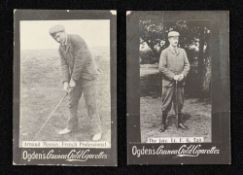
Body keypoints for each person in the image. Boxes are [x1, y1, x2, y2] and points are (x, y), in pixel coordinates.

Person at [49, 25, 102, 141]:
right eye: (55, 38)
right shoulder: (61, 48)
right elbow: (64, 65)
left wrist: (73, 80)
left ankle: (96, 131)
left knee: (91, 104)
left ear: (63, 32)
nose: (57, 39)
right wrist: (65, 82)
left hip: (88, 75)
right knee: (72, 102)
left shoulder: (76, 39)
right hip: (76, 77)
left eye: (58, 36)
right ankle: (71, 126)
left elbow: (80, 61)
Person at [158, 31, 190, 132]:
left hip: (180, 83)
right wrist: (173, 76)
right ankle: (163, 123)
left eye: (177, 38)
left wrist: (182, 75)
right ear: (169, 39)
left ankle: (179, 122)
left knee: (179, 103)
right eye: (173, 38)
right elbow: (161, 68)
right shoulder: (165, 52)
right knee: (166, 104)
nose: (176, 40)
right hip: (168, 83)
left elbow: (187, 65)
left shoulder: (182, 51)